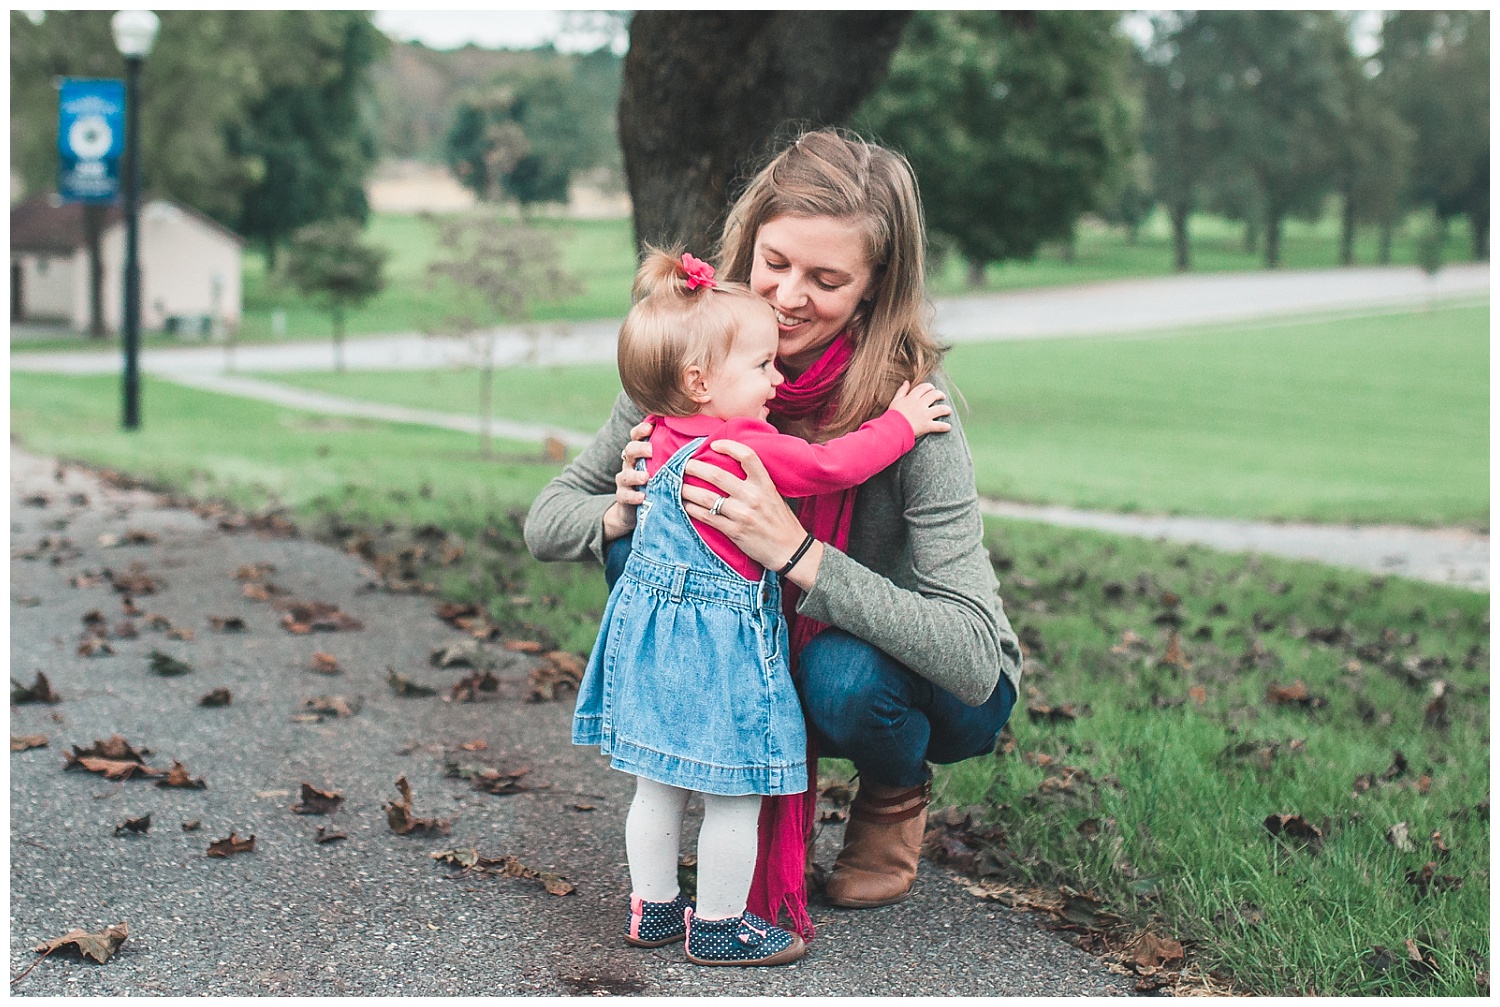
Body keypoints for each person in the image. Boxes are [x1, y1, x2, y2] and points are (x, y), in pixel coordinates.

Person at [525, 127, 1022, 933]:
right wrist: (617, 508)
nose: (789, 297)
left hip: (928, 682)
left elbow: (970, 659)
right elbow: (549, 517)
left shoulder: (910, 407)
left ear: (873, 288)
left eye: (827, 279)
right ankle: (696, 790)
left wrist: (796, 553)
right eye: (776, 262)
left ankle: (893, 791)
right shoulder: (692, 366)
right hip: (736, 650)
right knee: (632, 545)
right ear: (748, 242)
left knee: (842, 676)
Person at [568, 246, 953, 967]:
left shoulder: (657, 433)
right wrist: (901, 424)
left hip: (650, 634)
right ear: (700, 379)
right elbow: (832, 464)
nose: (777, 378)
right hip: (719, 643)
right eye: (762, 366)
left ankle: (651, 909)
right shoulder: (743, 441)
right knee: (736, 794)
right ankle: (718, 923)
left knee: (657, 786)